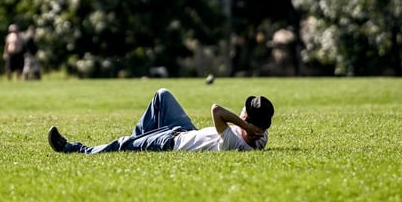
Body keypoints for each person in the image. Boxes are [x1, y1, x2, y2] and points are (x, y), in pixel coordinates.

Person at [47, 88, 274, 154]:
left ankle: (73, 149)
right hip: (186, 131)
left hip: (170, 141)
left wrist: (245, 125)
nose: (242, 112)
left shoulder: (236, 144)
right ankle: (137, 142)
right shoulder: (261, 136)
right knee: (162, 95)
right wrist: (251, 126)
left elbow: (216, 110)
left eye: (245, 114)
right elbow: (251, 123)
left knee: (123, 144)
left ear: (249, 124)